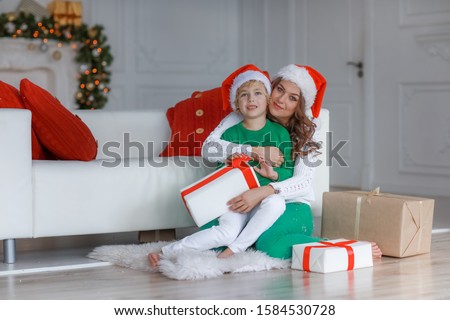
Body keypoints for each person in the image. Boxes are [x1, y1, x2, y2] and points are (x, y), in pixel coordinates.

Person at [202, 64, 383, 260]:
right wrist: (255, 151)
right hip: (247, 202)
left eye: (292, 98)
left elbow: (303, 183)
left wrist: (264, 191)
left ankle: (339, 246)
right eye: (280, 90)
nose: (281, 99)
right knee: (213, 241)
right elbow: (208, 149)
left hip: (290, 204)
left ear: (300, 105)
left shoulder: (306, 134)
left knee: (271, 245)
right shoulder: (246, 113)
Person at [148, 64, 295, 267]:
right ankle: (166, 251)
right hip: (236, 199)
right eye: (243, 95)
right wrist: (238, 158)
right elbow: (221, 170)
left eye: (258, 93)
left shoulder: (280, 134)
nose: (251, 99)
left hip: (262, 198)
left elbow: (288, 171)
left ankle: (235, 250)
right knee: (226, 232)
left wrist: (274, 175)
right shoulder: (230, 135)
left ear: (268, 99)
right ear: (236, 103)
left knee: (276, 204)